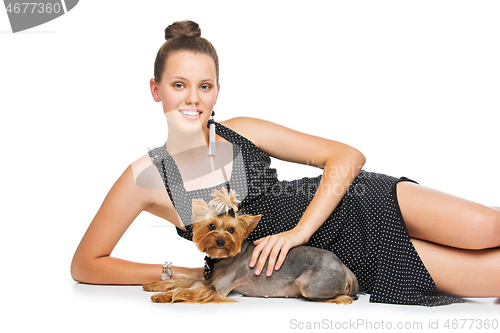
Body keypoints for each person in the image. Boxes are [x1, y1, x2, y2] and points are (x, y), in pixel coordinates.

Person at [71, 20, 500, 306]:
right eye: (178, 85)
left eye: (204, 86)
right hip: (332, 262)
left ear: (217, 91)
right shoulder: (144, 178)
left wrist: (297, 232)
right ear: (155, 89)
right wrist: (188, 272)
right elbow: (86, 263)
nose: (192, 98)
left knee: (488, 228)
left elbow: (346, 157)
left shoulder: (241, 130)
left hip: (357, 203)